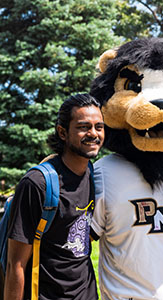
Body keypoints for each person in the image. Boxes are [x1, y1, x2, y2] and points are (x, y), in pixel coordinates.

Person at [4, 93, 104, 300]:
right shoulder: (37, 183)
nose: (94, 133)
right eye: (84, 127)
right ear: (62, 132)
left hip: (86, 294)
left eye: (99, 127)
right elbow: (17, 264)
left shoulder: (93, 175)